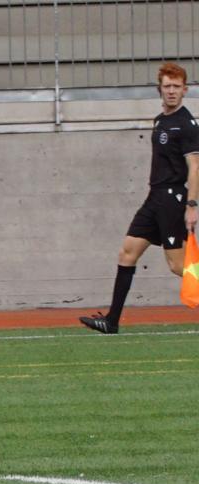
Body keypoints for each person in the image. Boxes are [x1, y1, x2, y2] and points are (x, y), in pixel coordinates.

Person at [81, 62, 199, 334]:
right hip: (154, 198)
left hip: (172, 199)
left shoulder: (186, 125)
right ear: (160, 89)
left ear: (185, 90)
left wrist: (191, 205)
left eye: (176, 87)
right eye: (167, 86)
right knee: (127, 253)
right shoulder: (160, 121)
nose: (171, 91)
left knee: (178, 266)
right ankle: (111, 321)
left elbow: (195, 168)